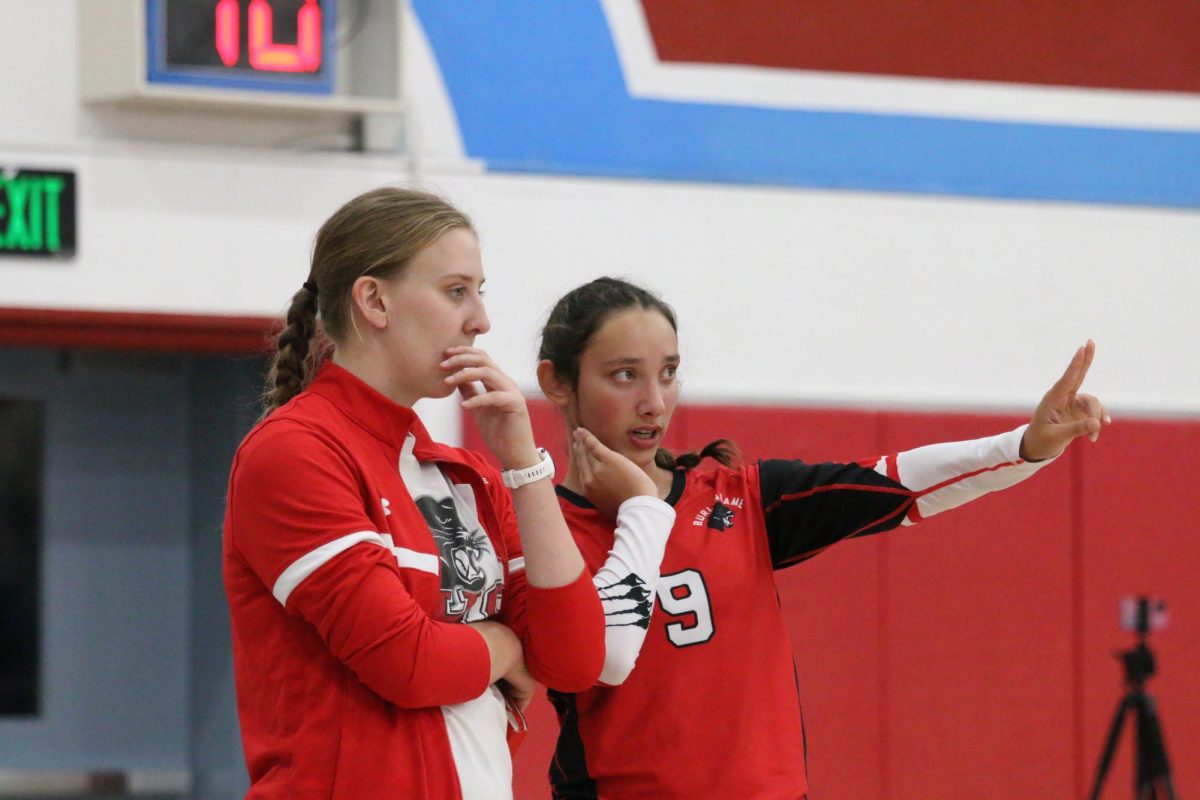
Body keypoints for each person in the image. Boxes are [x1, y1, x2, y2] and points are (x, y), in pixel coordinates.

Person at [534, 276, 1110, 800]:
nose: (654, 402)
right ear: (557, 382)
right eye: (625, 375)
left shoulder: (739, 499)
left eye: (667, 372)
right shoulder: (539, 536)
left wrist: (1023, 446)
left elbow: (898, 483)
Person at [223, 189, 635, 799]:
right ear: (375, 300)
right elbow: (410, 666)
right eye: (455, 290)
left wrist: (523, 464)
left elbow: (574, 659)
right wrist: (505, 642)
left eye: (480, 291)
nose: (481, 320)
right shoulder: (293, 453)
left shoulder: (464, 473)